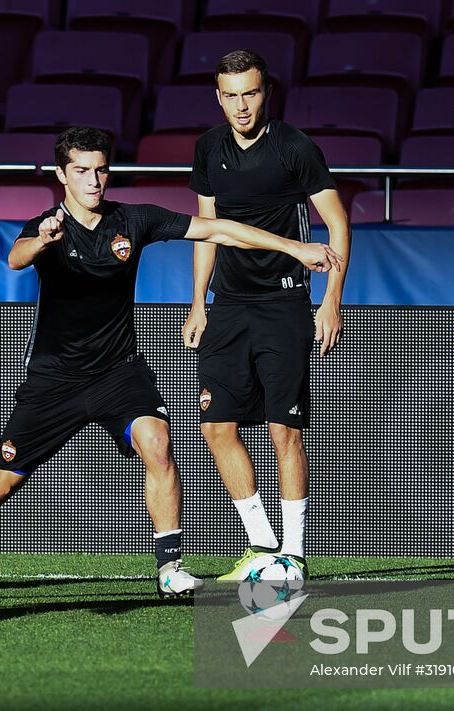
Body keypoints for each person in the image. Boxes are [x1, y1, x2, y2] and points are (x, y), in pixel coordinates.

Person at [0, 126, 342, 604]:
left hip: (119, 372)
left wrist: (294, 248)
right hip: (55, 380)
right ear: (61, 175)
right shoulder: (45, 227)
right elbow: (14, 258)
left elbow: (216, 227)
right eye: (81, 171)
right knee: (1, 481)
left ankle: (170, 568)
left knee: (157, 440)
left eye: (100, 169)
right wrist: (41, 240)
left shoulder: (134, 220)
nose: (94, 180)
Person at [184, 49, 352, 581]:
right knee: (216, 426)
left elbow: (338, 224)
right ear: (218, 97)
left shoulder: (295, 147)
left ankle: (295, 555)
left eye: (250, 93)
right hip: (228, 308)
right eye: (230, 95)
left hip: (285, 305)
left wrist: (331, 301)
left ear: (266, 93)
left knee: (284, 431)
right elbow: (206, 228)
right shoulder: (209, 147)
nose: (241, 105)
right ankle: (262, 546)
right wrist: (198, 302)